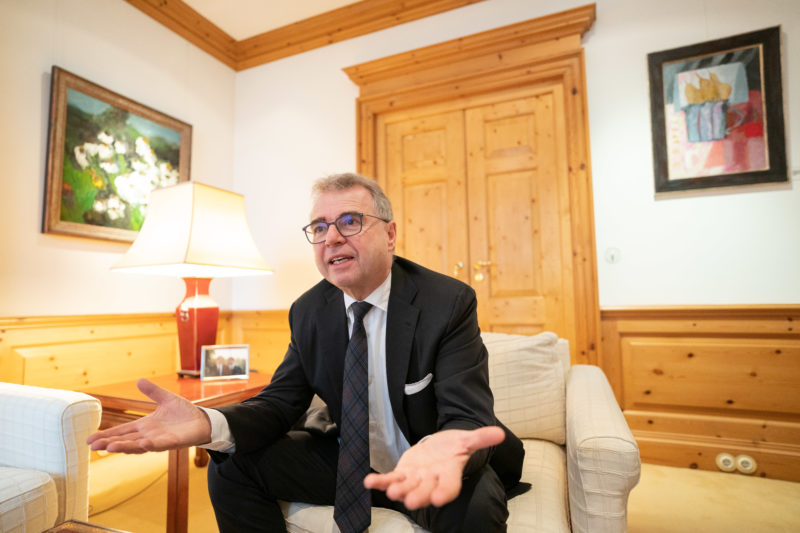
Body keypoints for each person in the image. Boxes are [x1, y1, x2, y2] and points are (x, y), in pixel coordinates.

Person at [87, 173, 524, 532]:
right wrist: (209, 422)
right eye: (319, 227)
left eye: (350, 221)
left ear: (390, 235)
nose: (331, 238)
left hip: (432, 461)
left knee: (477, 513)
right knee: (230, 464)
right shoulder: (309, 311)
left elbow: (467, 415)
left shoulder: (446, 303)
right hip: (348, 462)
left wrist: (444, 448)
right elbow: (280, 402)